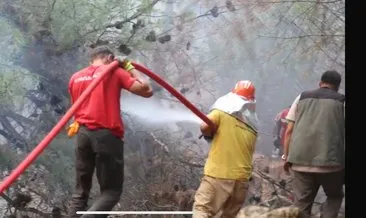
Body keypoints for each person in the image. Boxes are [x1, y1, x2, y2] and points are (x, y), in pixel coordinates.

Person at [68, 45, 153, 218]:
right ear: (109, 58)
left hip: (82, 136)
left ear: (91, 59)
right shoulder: (113, 71)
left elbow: (76, 107)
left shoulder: (75, 78)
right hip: (106, 135)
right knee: (111, 192)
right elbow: (146, 90)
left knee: (80, 193)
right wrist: (129, 67)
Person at [283, 70, 345, 218]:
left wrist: (286, 156)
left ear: (320, 83)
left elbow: (289, 130)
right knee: (334, 196)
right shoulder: (341, 101)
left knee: (301, 204)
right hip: (331, 163)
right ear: (337, 86)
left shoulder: (301, 98)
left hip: (299, 160)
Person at [193, 80, 259, 218]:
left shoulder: (221, 112)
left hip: (219, 175)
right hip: (241, 181)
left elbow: (205, 126)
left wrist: (209, 134)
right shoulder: (253, 125)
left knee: (203, 210)